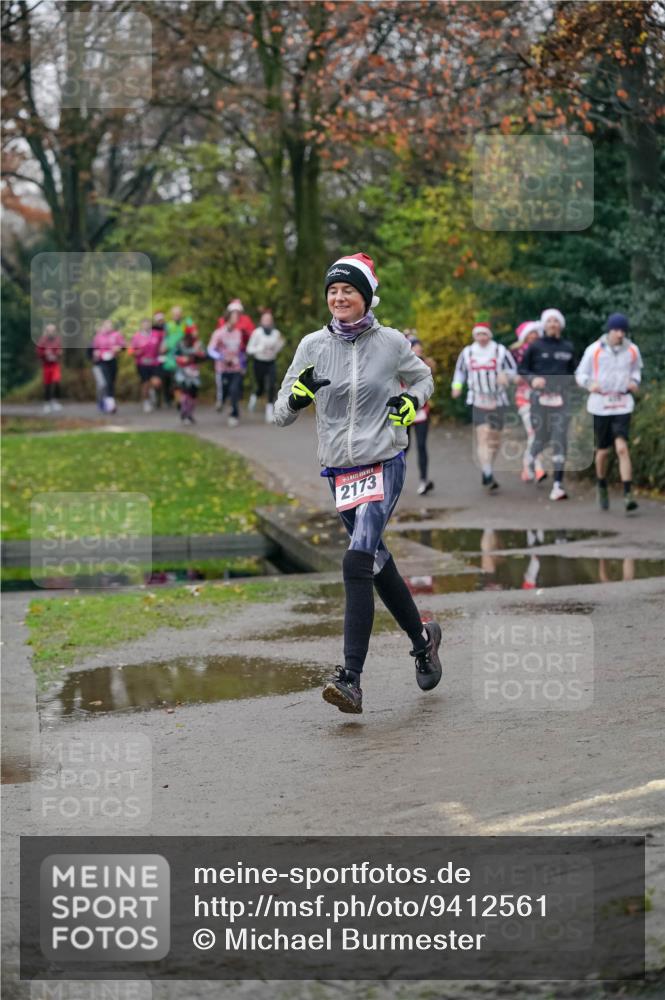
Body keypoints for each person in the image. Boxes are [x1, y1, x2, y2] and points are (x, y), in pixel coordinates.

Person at [274, 252, 441, 715]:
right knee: (376, 559)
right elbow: (279, 413)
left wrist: (411, 404)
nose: (339, 296)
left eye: (348, 290)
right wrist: (296, 397)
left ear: (365, 296)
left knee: (356, 557)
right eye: (333, 290)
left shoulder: (390, 342)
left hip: (384, 460)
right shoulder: (311, 345)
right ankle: (423, 640)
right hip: (340, 472)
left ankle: (350, 678)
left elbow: (422, 377)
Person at [575, 312, 642, 512]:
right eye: (616, 330)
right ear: (609, 331)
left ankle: (628, 493)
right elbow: (580, 374)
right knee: (603, 451)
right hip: (601, 404)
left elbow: (637, 370)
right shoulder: (594, 350)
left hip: (622, 402)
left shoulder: (632, 350)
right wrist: (589, 384)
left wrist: (634, 382)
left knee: (622, 448)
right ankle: (601, 483)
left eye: (623, 331)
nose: (620, 334)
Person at [518, 308, 576, 501]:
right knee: (542, 437)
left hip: (561, 400)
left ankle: (558, 485)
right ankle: (530, 458)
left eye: (556, 321)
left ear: (560, 325)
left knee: (560, 438)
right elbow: (522, 369)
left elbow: (573, 373)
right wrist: (533, 379)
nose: (553, 324)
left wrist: (570, 384)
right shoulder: (535, 346)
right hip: (539, 399)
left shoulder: (568, 347)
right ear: (544, 325)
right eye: (549, 321)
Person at [451, 323, 517, 492]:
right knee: (483, 435)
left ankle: (488, 466)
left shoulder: (500, 351)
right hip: (478, 399)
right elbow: (460, 371)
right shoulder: (468, 352)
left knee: (495, 440)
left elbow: (513, 371)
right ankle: (487, 472)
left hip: (498, 400)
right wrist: (457, 386)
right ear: (474, 336)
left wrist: (506, 377)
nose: (481, 337)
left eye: (484, 334)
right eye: (478, 334)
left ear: (490, 335)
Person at [510, 321, 544, 482]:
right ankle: (537, 467)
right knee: (534, 432)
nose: (534, 336)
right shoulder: (516, 353)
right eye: (531, 333)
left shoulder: (544, 352)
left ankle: (527, 465)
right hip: (524, 397)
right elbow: (511, 373)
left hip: (543, 397)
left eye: (536, 333)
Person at [407, 339, 436, 495]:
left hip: (421, 413)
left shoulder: (426, 365)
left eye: (420, 348)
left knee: (421, 446)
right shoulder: (399, 364)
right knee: (402, 448)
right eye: (415, 348)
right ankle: (391, 479)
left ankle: (424, 480)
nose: (418, 350)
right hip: (404, 412)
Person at [246, 309, 285, 423]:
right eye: (265, 319)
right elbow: (249, 349)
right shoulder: (257, 333)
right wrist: (259, 349)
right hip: (259, 363)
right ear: (261, 321)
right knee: (261, 387)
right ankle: (254, 396)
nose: (267, 321)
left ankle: (269, 412)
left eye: (269, 319)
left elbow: (280, 344)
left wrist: (276, 347)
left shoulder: (276, 333)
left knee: (271, 385)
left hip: (271, 362)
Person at [207, 309, 245, 427]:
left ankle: (234, 415)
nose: (237, 318)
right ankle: (221, 402)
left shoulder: (238, 333)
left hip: (236, 368)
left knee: (234, 391)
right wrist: (222, 357)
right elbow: (210, 350)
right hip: (222, 369)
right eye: (234, 316)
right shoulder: (218, 333)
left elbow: (241, 351)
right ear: (228, 317)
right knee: (224, 392)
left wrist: (243, 365)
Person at [174, 323, 206, 424]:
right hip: (183, 371)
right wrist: (182, 359)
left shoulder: (199, 343)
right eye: (194, 331)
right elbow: (175, 355)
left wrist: (200, 355)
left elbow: (204, 356)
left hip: (194, 372)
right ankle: (184, 413)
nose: (196, 332)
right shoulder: (181, 343)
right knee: (185, 392)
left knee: (194, 394)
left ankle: (190, 413)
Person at [130, 318, 164, 413]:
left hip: (154, 362)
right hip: (142, 363)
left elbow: (164, 341)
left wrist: (163, 349)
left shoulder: (156, 334)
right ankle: (146, 401)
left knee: (156, 382)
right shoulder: (136, 337)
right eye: (144, 324)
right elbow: (131, 351)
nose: (146, 326)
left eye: (148, 324)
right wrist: (137, 352)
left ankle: (152, 392)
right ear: (141, 325)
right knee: (145, 384)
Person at [91, 319, 125, 413]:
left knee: (112, 382)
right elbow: (93, 349)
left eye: (110, 325)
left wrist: (118, 348)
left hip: (112, 360)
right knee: (107, 382)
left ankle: (107, 401)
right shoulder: (98, 337)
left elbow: (123, 346)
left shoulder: (117, 335)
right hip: (102, 362)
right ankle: (110, 404)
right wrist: (96, 353)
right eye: (106, 325)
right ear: (103, 326)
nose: (108, 327)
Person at [163, 307, 190, 407]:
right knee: (173, 380)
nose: (177, 315)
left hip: (184, 355)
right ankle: (177, 400)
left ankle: (183, 399)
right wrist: (164, 347)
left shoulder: (186, 323)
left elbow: (192, 335)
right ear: (172, 315)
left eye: (178, 313)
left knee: (184, 379)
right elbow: (165, 338)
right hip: (171, 356)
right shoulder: (168, 325)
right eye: (175, 314)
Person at [36, 323, 63, 413]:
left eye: (53, 330)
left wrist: (58, 353)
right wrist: (45, 354)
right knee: (47, 384)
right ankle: (47, 403)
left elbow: (60, 350)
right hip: (46, 365)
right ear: (46, 331)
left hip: (55, 364)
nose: (51, 332)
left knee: (56, 381)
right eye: (49, 330)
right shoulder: (42, 341)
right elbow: (38, 352)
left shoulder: (57, 340)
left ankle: (55, 402)